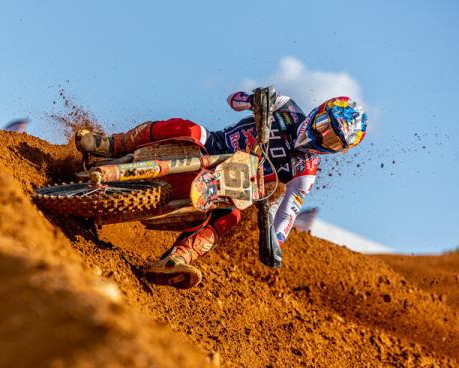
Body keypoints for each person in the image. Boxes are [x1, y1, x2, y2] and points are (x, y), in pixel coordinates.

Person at [76, 90, 368, 289]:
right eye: (323, 124)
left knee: (231, 217)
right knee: (188, 128)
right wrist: (255, 99)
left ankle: (175, 260)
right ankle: (110, 144)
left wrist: (275, 243)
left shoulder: (306, 172)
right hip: (215, 144)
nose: (320, 134)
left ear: (335, 150)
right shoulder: (286, 107)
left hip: (234, 184)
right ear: (319, 112)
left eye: (331, 140)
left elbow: (289, 211)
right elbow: (234, 100)